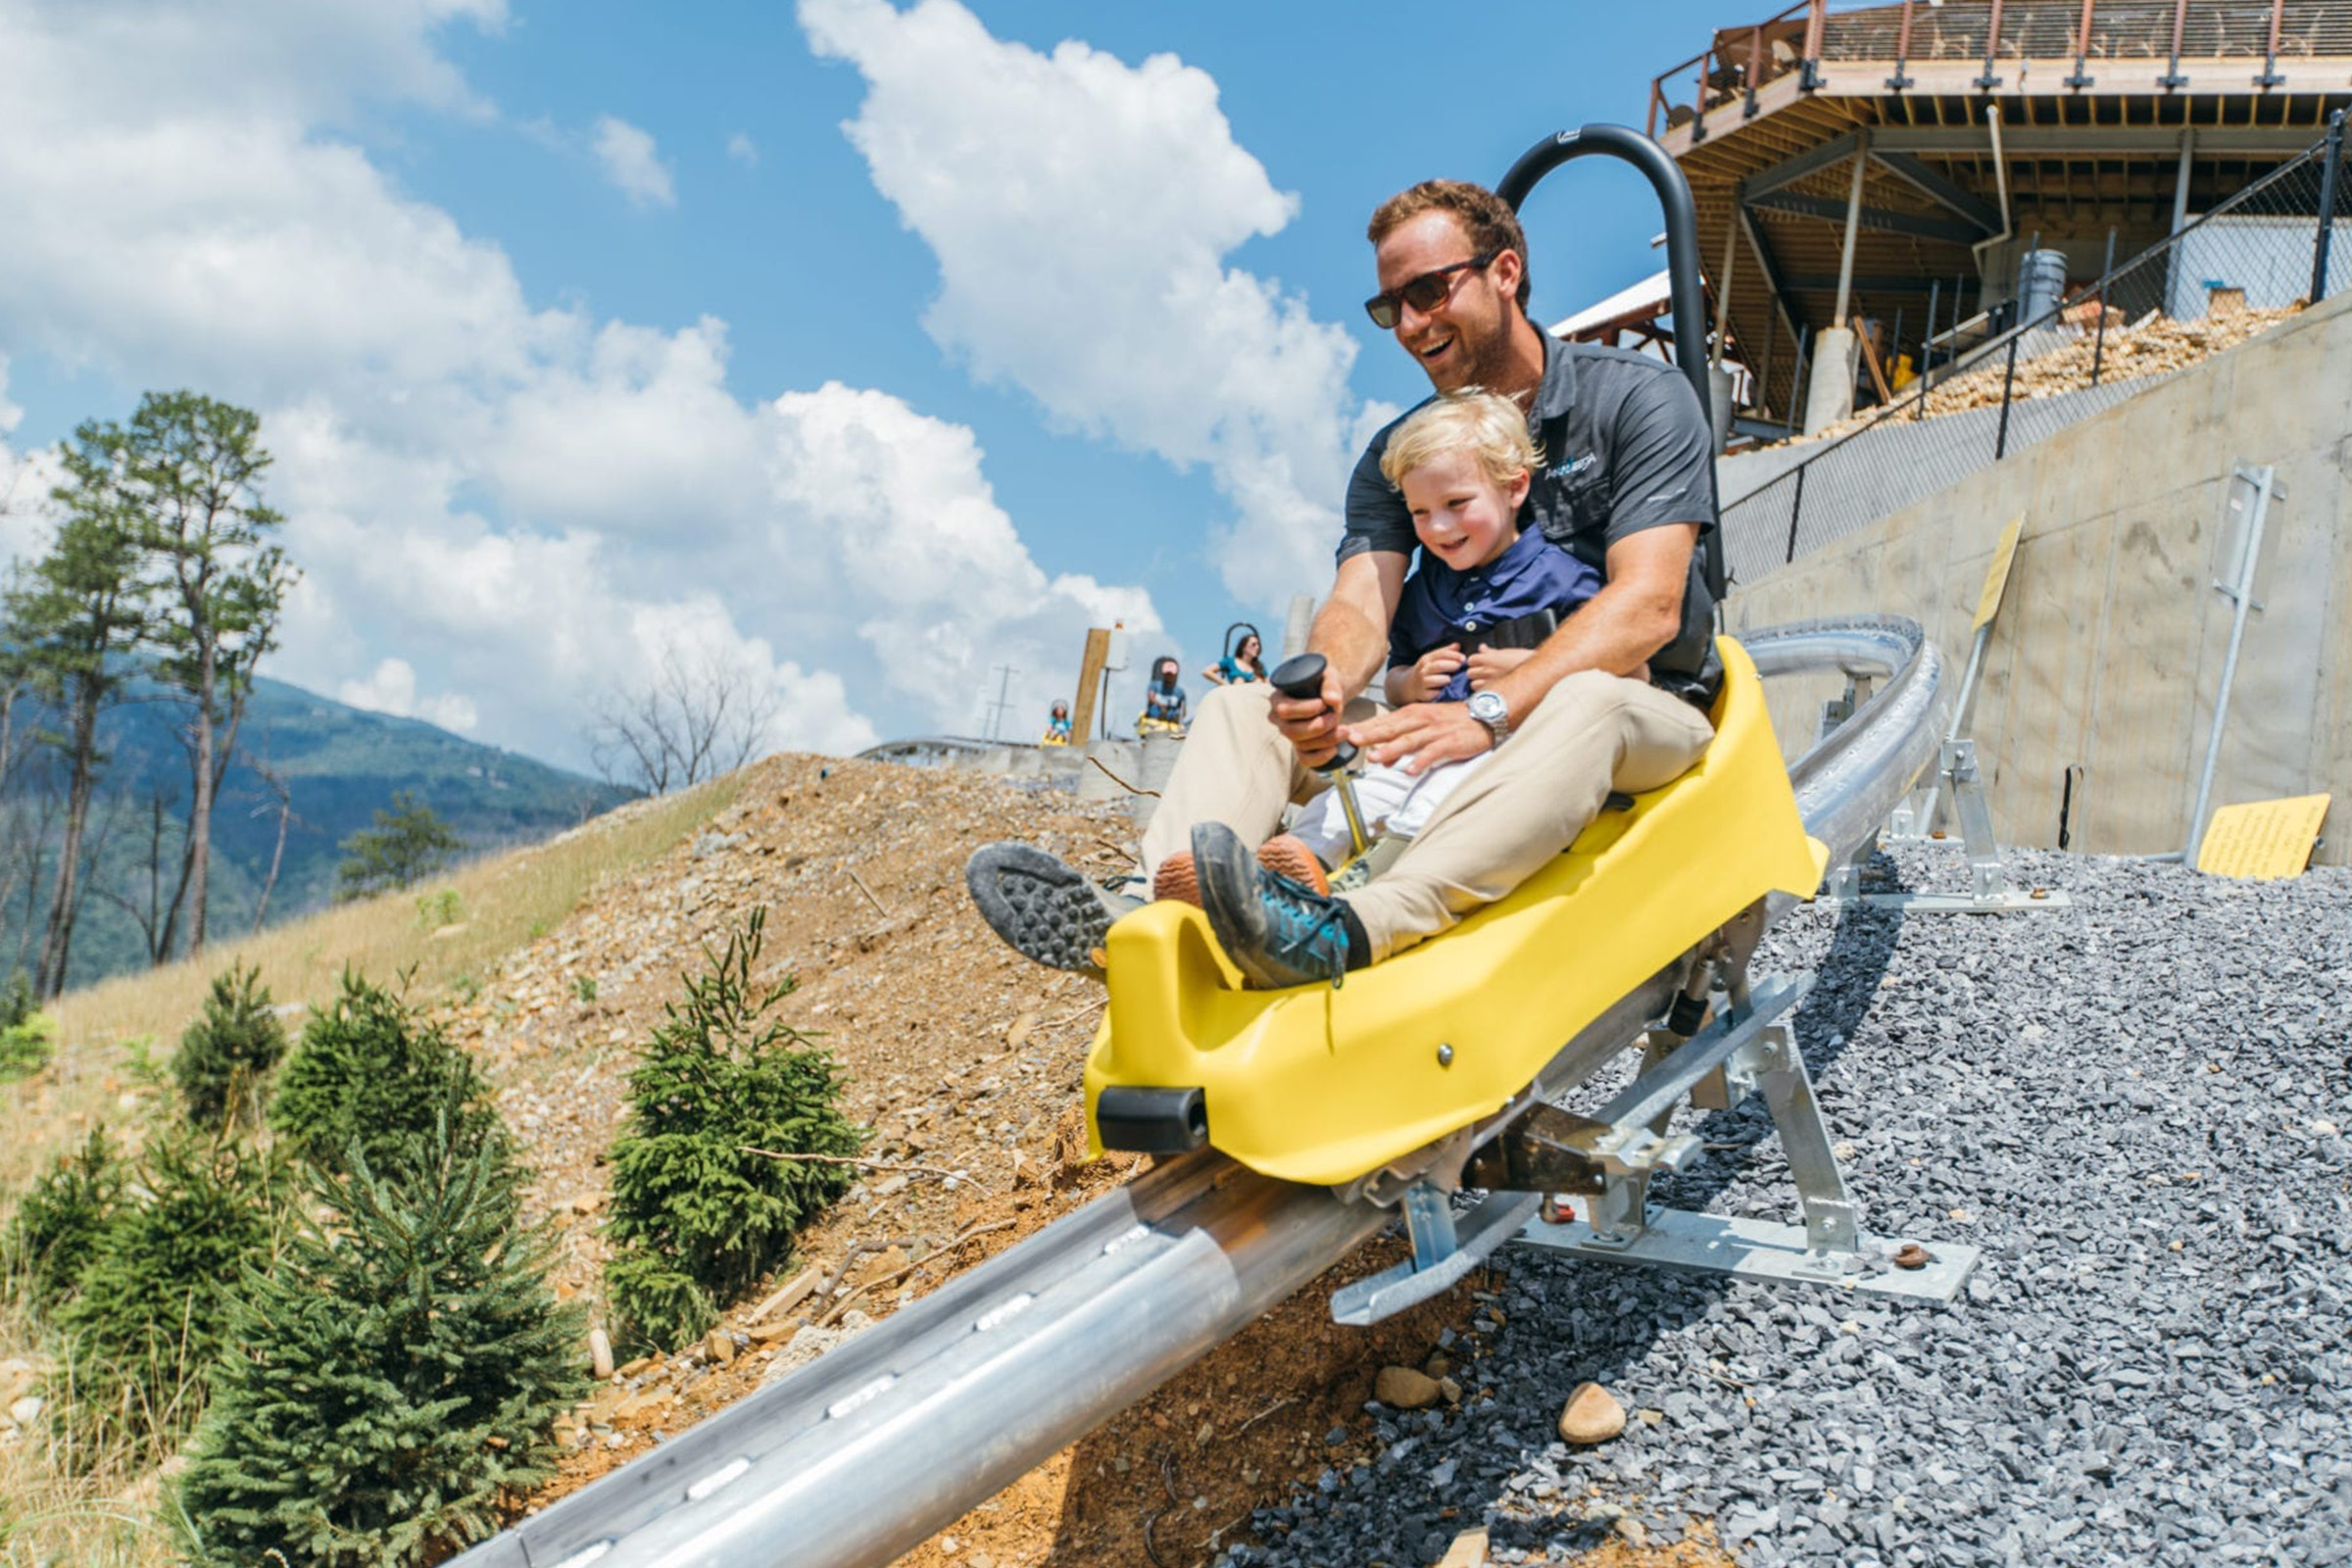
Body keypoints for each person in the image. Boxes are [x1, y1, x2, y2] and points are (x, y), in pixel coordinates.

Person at [967, 177, 1718, 988]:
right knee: (1239, 708)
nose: (1409, 324)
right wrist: (1321, 694)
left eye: (1429, 291)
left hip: (1634, 708)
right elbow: (1363, 599)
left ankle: (1359, 923)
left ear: (1505, 273)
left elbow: (1647, 605)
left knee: (1585, 700)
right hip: (1457, 708)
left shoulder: (1636, 398)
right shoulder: (1405, 454)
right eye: (1389, 305)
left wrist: (1492, 710)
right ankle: (1156, 921)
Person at [1274, 388, 1599, 878]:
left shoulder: (1561, 576)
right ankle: (1294, 865)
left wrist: (1532, 667)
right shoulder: (1423, 590)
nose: (1439, 527)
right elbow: (1397, 669)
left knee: (1439, 793)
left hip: (1506, 743)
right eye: (1420, 512)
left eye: (1456, 503)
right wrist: (1409, 682)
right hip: (1425, 737)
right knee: (1363, 790)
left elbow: (1605, 658)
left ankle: (1374, 879)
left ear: (1515, 489)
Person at [1137, 656, 1188, 736]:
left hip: (1172, 724)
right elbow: (1150, 696)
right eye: (1167, 674)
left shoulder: (1180, 692)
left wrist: (1180, 716)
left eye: (1171, 674)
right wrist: (1160, 705)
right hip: (1155, 722)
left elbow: (1183, 710)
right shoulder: (1154, 685)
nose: (1169, 676)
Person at [1201, 630, 1267, 687]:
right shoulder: (1230, 661)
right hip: (1236, 695)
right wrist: (1224, 683)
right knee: (1239, 680)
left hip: (1254, 697)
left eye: (1258, 644)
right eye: (1254, 644)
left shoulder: (1259, 667)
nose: (1257, 647)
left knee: (1259, 680)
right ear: (1244, 647)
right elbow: (1206, 671)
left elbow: (1268, 683)